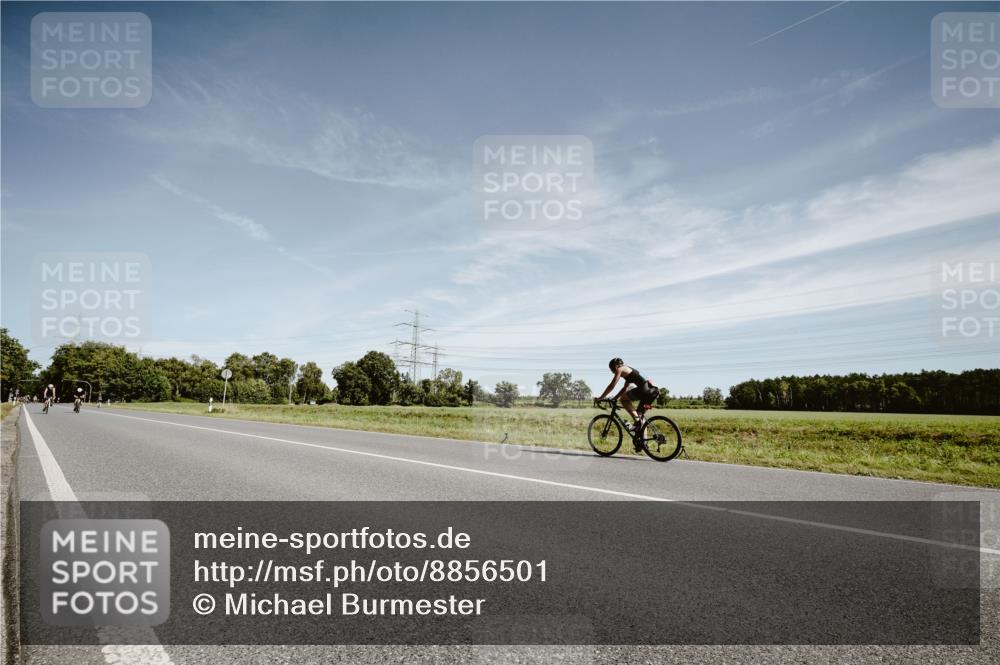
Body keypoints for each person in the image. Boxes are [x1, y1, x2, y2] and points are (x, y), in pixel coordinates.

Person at [595, 358, 660, 433]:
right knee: (641, 417)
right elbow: (624, 389)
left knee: (623, 400)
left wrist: (601, 397)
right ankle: (643, 443)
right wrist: (615, 398)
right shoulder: (628, 371)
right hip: (653, 391)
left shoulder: (620, 369)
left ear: (615, 366)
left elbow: (612, 385)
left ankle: (637, 422)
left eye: (612, 370)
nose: (613, 372)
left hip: (645, 390)